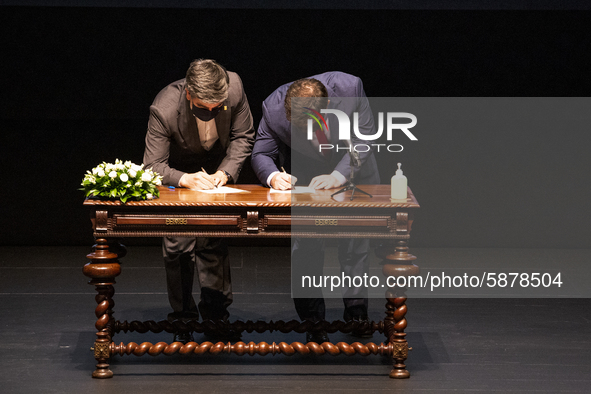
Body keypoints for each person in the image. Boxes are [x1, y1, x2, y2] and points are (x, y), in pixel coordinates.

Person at [251, 72, 380, 343]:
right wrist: (274, 176)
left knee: (355, 246)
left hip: (351, 168)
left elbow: (365, 137)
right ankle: (312, 319)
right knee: (306, 246)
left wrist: (338, 175)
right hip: (307, 176)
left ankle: (356, 313)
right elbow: (262, 153)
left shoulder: (350, 88)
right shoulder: (272, 108)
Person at [143, 59, 254, 343]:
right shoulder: (164, 107)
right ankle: (183, 319)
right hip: (179, 176)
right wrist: (185, 178)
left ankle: (217, 318)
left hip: (217, 172)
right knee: (178, 247)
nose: (211, 112)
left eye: (217, 107)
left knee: (213, 241)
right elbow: (152, 165)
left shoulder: (235, 87)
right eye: (204, 107)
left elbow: (243, 136)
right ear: (189, 94)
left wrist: (225, 172)